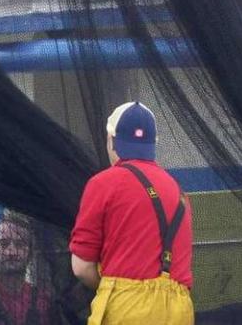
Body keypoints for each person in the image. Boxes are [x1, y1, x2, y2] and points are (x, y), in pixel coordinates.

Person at [70, 102, 194, 324]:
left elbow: (81, 267)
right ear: (153, 144)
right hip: (179, 308)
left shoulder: (103, 184)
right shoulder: (179, 191)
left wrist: (116, 289)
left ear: (111, 140)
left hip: (128, 309)